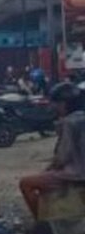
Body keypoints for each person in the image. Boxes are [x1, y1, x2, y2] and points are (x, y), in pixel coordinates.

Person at [19, 82, 85, 220]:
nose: (55, 107)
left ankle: (43, 225)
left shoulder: (69, 122)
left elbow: (62, 157)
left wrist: (48, 169)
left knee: (26, 183)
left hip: (75, 175)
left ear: (65, 103)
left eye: (57, 103)